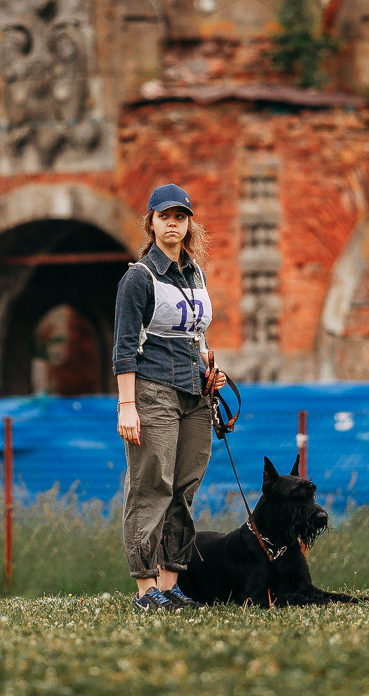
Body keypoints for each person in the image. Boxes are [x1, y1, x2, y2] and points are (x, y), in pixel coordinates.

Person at [113, 183, 226, 613]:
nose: (173, 224)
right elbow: (124, 346)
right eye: (165, 217)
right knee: (150, 487)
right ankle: (145, 591)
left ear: (189, 222)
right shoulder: (138, 279)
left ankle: (171, 584)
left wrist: (211, 371)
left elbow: (196, 335)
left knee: (184, 488)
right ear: (152, 222)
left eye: (180, 217)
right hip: (153, 391)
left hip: (195, 395)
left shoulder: (195, 273)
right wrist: (128, 405)